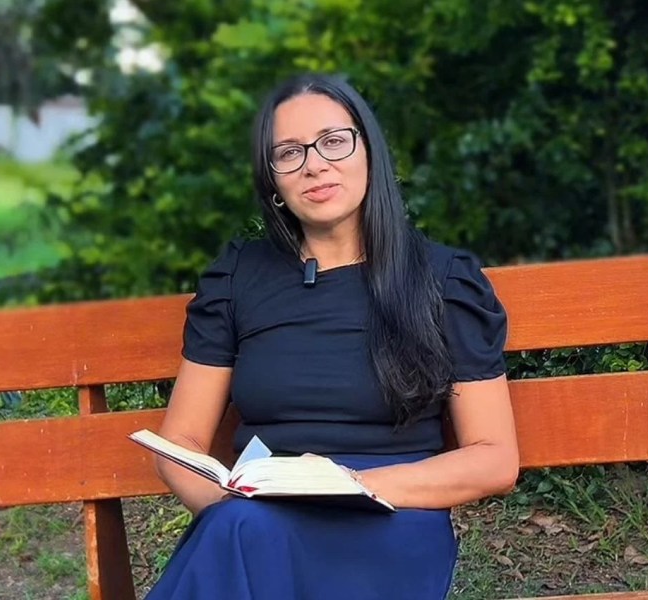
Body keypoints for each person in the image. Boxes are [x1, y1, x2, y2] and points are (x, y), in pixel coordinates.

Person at [146, 73, 520, 599]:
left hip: (392, 518)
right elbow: (178, 443)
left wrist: (347, 487)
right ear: (272, 180)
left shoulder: (441, 279)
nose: (314, 164)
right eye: (289, 153)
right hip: (259, 521)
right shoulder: (237, 278)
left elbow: (494, 457)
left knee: (240, 537)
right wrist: (237, 510)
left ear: (369, 150)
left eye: (333, 141)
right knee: (240, 532)